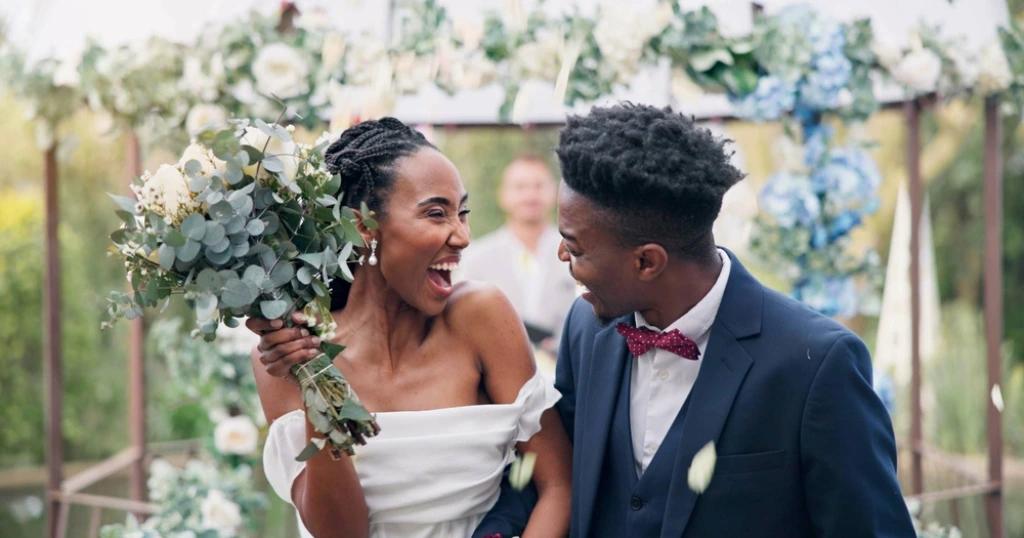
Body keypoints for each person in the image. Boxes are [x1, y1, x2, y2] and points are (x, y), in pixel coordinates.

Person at [488, 103, 916, 537]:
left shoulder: (817, 363)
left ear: (647, 261)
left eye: (575, 247)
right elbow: (553, 476)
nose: (562, 255)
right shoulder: (587, 328)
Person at [246, 118, 571, 538]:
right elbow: (341, 534)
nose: (462, 236)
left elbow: (558, 485)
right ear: (363, 225)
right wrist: (315, 381)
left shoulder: (481, 316)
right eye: (437, 213)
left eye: (463, 214)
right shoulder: (287, 355)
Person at [455, 156, 577, 356]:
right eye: (520, 187)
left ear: (555, 192)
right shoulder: (477, 258)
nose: (530, 195)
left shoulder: (575, 251)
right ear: (503, 195)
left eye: (538, 186)